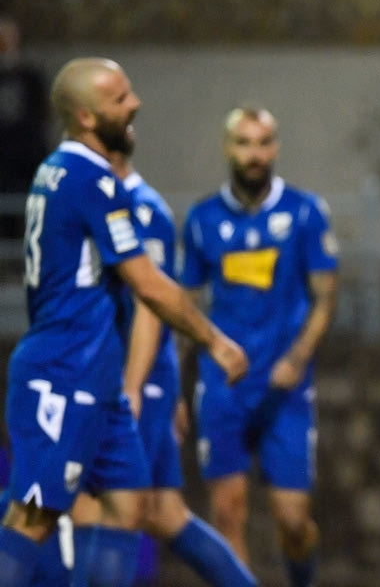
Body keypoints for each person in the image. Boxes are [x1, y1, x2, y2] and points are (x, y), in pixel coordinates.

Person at [0, 57, 248, 587]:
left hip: (98, 376)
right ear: (87, 117)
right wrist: (214, 341)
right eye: (120, 99)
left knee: (130, 505)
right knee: (33, 515)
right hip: (63, 370)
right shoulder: (93, 180)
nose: (135, 104)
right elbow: (148, 285)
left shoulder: (56, 169)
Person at [41, 147, 259, 587]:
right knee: (163, 512)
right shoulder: (101, 203)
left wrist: (133, 387)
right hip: (133, 381)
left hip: (131, 382)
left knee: (96, 506)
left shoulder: (142, 209)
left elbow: (152, 306)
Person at [179, 105, 338, 587]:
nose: (254, 154)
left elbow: (325, 297)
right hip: (223, 387)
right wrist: (175, 382)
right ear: (228, 148)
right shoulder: (203, 219)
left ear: (276, 148)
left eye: (263, 143)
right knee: (228, 514)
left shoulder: (305, 212)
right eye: (244, 143)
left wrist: (297, 358)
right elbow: (182, 306)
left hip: (284, 389)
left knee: (293, 521)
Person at [0, 15, 51, 277]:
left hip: (27, 158)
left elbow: (41, 114)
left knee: (33, 215)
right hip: (3, 163)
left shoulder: (30, 76)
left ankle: (30, 268)